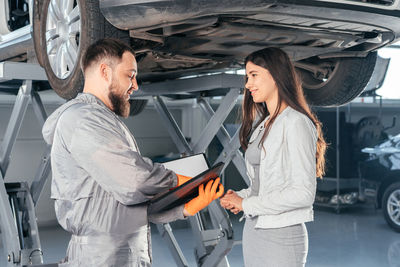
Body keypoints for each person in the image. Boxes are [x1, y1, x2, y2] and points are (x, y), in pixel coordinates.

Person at [42, 38, 224, 266]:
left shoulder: (102, 120)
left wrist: (183, 208)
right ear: (105, 72)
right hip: (102, 258)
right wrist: (179, 180)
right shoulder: (84, 120)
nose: (136, 85)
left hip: (119, 253)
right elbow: (134, 182)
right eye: (130, 75)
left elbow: (122, 202)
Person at [219, 47, 326, 267]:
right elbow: (265, 184)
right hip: (254, 231)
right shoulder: (264, 124)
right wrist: (240, 197)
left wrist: (248, 204)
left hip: (282, 236)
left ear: (276, 75)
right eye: (247, 77)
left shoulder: (296, 122)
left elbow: (303, 194)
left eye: (254, 75)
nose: (248, 84)